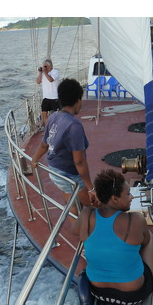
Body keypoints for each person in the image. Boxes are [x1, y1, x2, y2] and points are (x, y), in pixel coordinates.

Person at [72, 169, 153, 305]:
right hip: (133, 295)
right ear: (114, 199)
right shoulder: (135, 220)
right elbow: (144, 242)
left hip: (98, 292)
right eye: (127, 194)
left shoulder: (87, 214)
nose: (131, 197)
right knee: (149, 239)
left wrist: (96, 207)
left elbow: (75, 231)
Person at [31, 78, 98, 209]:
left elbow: (44, 144)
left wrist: (34, 160)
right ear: (78, 100)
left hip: (54, 171)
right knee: (94, 204)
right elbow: (79, 162)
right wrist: (91, 188)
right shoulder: (74, 126)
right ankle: (85, 225)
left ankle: (75, 221)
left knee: (71, 199)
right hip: (68, 174)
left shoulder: (53, 117)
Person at [36, 58, 60, 128]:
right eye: (43, 66)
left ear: (51, 66)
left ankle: (57, 129)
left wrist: (45, 73)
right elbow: (38, 82)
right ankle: (48, 129)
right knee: (44, 114)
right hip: (46, 97)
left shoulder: (55, 72)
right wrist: (41, 73)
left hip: (54, 97)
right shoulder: (43, 74)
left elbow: (51, 80)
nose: (44, 68)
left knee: (56, 115)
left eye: (46, 66)